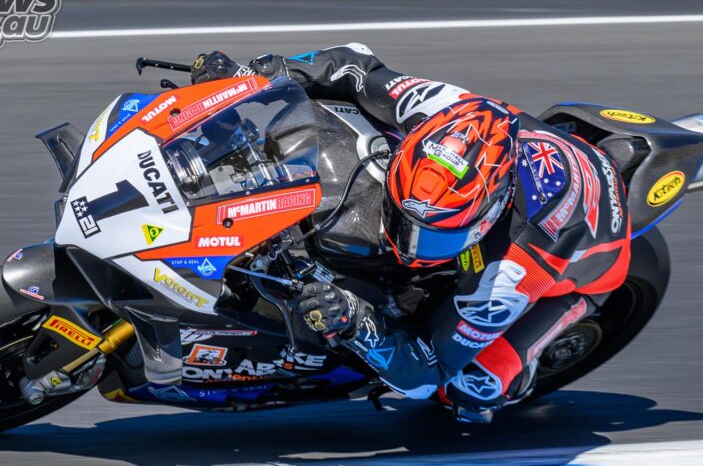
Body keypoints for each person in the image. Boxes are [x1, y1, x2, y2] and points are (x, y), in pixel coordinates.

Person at [190, 44, 631, 423]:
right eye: (403, 220)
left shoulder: (510, 276)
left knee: (468, 386)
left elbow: (428, 373)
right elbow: (353, 66)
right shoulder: (444, 109)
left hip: (592, 256)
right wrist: (249, 79)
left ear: (488, 215)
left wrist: (355, 322)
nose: (409, 245)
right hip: (540, 151)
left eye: (434, 236)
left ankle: (518, 373)